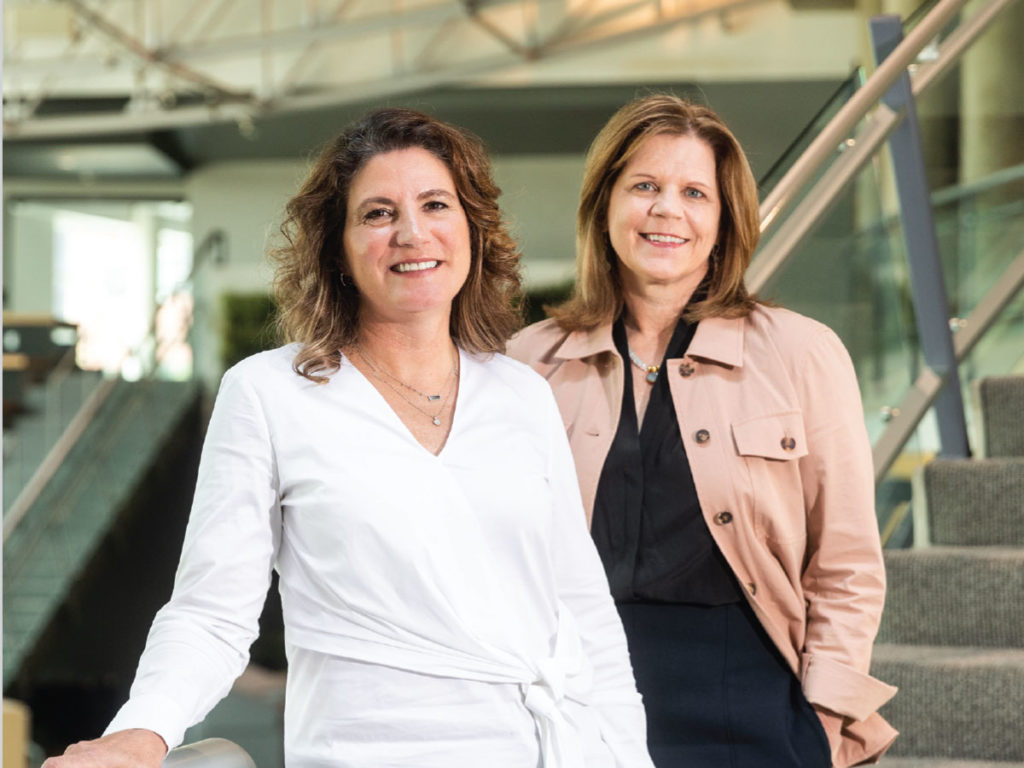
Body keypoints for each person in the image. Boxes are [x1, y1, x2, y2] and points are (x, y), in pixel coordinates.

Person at [43, 108, 654, 768]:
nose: (411, 233)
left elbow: (583, 614)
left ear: (472, 229)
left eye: (435, 204)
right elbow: (212, 612)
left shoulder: (521, 394)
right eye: (378, 213)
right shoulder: (268, 393)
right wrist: (141, 731)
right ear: (337, 245)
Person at [508, 94, 898, 768]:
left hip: (747, 698)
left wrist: (826, 717)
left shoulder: (802, 355)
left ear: (725, 221)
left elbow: (847, 564)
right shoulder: (525, 364)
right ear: (605, 206)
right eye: (645, 187)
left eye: (695, 192)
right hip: (577, 693)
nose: (667, 210)